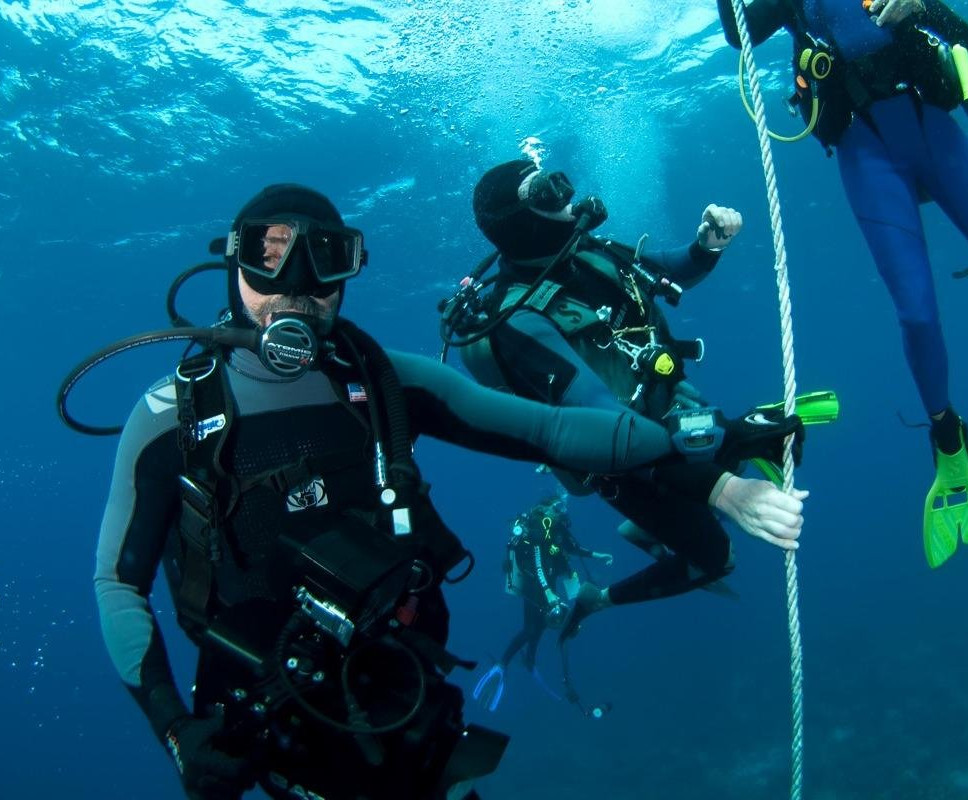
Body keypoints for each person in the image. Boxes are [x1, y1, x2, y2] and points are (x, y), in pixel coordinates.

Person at [89, 184, 806, 800]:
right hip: (260, 730)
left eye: (325, 259)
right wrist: (175, 729)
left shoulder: (384, 381)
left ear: (349, 269)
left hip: (408, 705)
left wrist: (713, 468)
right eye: (269, 255)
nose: (296, 287)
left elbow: (556, 431)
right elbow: (118, 584)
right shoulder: (168, 417)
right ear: (232, 264)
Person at [717, 0, 968, 567]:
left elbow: (963, 35)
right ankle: (946, 438)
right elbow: (740, 35)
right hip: (865, 149)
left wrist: (918, 4)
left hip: (930, 124)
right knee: (916, 313)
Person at [442, 159, 809, 643]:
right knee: (719, 559)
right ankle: (600, 598)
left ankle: (655, 524)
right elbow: (605, 418)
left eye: (560, 180)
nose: (568, 194)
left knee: (767, 438)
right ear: (523, 219)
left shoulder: (584, 251)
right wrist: (723, 489)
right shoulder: (516, 322)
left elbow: (653, 271)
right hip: (619, 460)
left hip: (670, 410)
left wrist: (704, 249)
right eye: (550, 192)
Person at [472, 495, 612, 713]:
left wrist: (597, 555)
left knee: (544, 624)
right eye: (557, 507)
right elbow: (537, 565)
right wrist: (548, 595)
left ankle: (529, 659)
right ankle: (502, 664)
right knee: (530, 628)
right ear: (546, 508)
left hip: (549, 583)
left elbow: (572, 547)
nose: (561, 511)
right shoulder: (539, 526)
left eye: (562, 507)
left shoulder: (556, 527)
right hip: (534, 587)